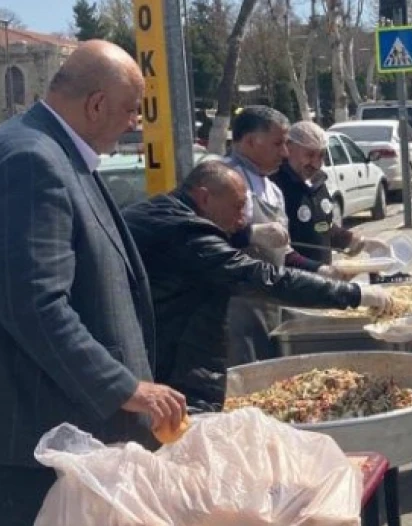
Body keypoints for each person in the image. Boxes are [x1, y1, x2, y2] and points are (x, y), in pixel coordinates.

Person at [0, 40, 188, 526]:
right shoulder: (30, 160)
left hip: (42, 430)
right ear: (95, 104)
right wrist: (124, 387)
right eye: (128, 108)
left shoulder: (52, 151)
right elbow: (34, 302)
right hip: (21, 442)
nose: (134, 122)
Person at [124, 161, 392, 411]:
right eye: (237, 208)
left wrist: (246, 235)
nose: (241, 219)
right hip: (169, 364)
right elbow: (264, 278)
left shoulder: (162, 211)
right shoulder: (186, 233)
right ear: (204, 197)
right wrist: (354, 294)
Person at [221, 106, 295, 365]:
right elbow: (200, 239)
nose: (285, 153)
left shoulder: (273, 189)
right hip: (233, 309)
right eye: (278, 144)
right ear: (251, 141)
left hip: (269, 304)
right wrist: (251, 234)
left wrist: (323, 271)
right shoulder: (223, 178)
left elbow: (284, 252)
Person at [269, 121, 389, 268]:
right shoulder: (275, 187)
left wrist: (356, 241)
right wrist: (317, 270)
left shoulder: (318, 183)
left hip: (321, 280)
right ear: (289, 148)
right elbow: (276, 249)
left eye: (321, 155)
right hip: (292, 281)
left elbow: (323, 227)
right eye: (309, 154)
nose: (316, 163)